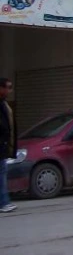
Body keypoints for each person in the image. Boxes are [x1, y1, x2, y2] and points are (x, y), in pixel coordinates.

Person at [0, 78, 18, 213]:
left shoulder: (3, 103)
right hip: (1, 145)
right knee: (2, 174)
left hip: (4, 145)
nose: (10, 90)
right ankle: (3, 202)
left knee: (2, 173)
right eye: (8, 87)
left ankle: (4, 201)